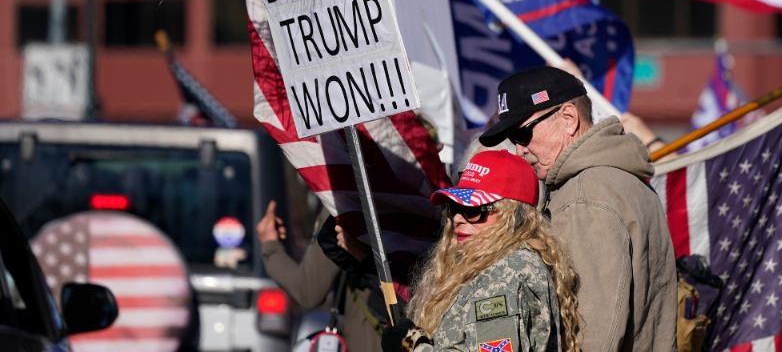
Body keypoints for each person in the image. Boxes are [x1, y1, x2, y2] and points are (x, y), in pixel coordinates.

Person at [479, 66, 677, 352]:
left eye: (523, 134)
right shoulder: (621, 178)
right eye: (513, 140)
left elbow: (592, 335)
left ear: (569, 119)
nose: (520, 150)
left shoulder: (586, 196)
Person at [381, 149, 581, 351]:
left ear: (512, 215)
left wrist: (412, 346)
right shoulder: (496, 263)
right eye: (454, 208)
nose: (458, 218)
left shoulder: (504, 272)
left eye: (472, 210)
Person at [255, 200, 384, 351]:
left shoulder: (344, 199)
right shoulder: (413, 190)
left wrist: (270, 246)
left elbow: (308, 289)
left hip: (372, 339)